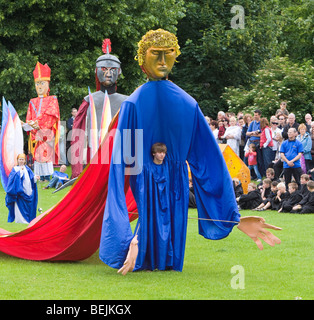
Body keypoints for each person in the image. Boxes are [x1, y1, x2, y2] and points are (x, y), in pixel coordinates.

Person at [99, 29, 281, 275]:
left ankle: (147, 253)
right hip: (151, 177)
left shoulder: (178, 104)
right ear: (143, 59)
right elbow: (127, 161)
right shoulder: (139, 104)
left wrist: (233, 217)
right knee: (158, 213)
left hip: (168, 178)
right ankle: (141, 249)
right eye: (156, 55)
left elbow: (209, 159)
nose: (163, 62)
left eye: (169, 55)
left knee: (165, 216)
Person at [71, 39, 129, 178]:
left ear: (118, 71)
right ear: (97, 71)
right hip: (94, 153)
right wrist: (78, 164)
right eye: (104, 69)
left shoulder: (126, 101)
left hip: (118, 152)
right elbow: (78, 131)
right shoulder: (89, 100)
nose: (108, 73)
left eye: (112, 70)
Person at [25, 62, 60, 181]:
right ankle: (40, 176)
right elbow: (29, 117)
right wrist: (29, 124)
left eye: (42, 83)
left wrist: (39, 124)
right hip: (35, 134)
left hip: (46, 133)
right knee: (38, 156)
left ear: (47, 84)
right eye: (37, 84)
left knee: (46, 155)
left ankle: (47, 176)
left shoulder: (52, 99)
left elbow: (52, 115)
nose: (39, 86)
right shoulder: (32, 101)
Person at [5, 153, 39, 224]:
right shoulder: (15, 169)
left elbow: (31, 178)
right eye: (20, 159)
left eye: (22, 159)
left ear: (24, 160)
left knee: (28, 206)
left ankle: (28, 220)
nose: (21, 161)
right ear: (17, 160)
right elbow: (12, 180)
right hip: (19, 192)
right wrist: (20, 173)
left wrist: (35, 178)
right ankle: (21, 220)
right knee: (20, 205)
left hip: (28, 190)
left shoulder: (27, 169)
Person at [246, 109, 264, 177]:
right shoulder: (252, 123)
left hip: (258, 142)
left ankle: (260, 174)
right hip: (251, 143)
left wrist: (252, 134)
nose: (255, 116)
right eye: (254, 115)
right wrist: (253, 133)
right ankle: (253, 175)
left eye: (256, 115)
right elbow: (247, 133)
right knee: (250, 159)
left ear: (259, 115)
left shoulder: (261, 123)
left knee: (259, 159)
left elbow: (262, 134)